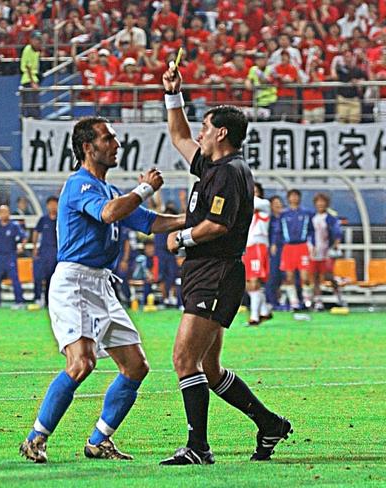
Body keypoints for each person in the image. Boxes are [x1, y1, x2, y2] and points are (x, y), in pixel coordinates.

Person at [19, 116, 185, 463]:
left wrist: (194, 218)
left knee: (136, 366)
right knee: (82, 364)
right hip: (75, 283)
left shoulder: (110, 190)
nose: (116, 144)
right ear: (87, 148)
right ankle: (35, 438)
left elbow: (151, 223)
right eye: (108, 138)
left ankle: (99, 440)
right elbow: (109, 214)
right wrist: (144, 189)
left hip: (101, 284)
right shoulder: (79, 185)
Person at [160, 64, 291, 465]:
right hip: (207, 272)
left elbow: (217, 224)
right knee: (210, 368)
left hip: (216, 272)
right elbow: (179, 135)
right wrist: (173, 95)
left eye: (205, 125)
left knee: (184, 360)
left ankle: (198, 446)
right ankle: (269, 423)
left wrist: (181, 237)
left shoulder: (231, 172)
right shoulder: (212, 165)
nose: (198, 132)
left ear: (220, 133)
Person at [279, 189, 314, 310]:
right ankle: (294, 302)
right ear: (288, 198)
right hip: (288, 248)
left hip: (302, 247)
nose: (294, 198)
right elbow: (278, 231)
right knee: (289, 277)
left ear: (299, 198)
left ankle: (307, 300)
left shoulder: (306, 213)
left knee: (305, 276)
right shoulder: (283, 214)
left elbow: (311, 230)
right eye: (291, 196)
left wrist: (312, 245)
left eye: (296, 196)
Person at [242, 183, 272, 326]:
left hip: (257, 246)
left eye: (255, 191)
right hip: (246, 247)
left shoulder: (264, 205)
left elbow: (252, 202)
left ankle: (254, 317)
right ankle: (265, 311)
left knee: (254, 281)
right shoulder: (243, 211)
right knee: (247, 283)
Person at [0, 205, 28, 309]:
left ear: (9, 213)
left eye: (5, 212)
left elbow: (24, 237)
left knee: (15, 279)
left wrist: (21, 247)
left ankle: (19, 301)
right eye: (1, 212)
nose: (3, 214)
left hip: (10, 255)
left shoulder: (14, 225)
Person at [310, 193, 343, 310]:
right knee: (315, 277)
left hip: (326, 251)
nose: (320, 204)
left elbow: (337, 234)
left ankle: (339, 296)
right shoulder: (312, 217)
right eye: (318, 202)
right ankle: (318, 301)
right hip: (315, 251)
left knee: (329, 275)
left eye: (322, 202)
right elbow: (310, 233)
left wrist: (334, 246)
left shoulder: (331, 218)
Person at [32, 196, 58, 308]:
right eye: (50, 204)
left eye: (55, 204)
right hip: (43, 251)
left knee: (51, 277)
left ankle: (49, 301)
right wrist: (34, 247)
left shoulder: (60, 220)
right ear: (47, 206)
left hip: (55, 251)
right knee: (38, 276)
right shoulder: (43, 219)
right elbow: (36, 232)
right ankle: (37, 298)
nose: (53, 206)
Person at [266, 195, 285, 309]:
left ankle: (279, 301)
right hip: (273, 250)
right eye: (275, 203)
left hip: (285, 249)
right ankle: (271, 301)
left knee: (283, 276)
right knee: (273, 276)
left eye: (279, 202)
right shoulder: (269, 219)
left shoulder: (285, 217)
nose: (278, 205)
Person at [20, 31, 42, 118]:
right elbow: (27, 67)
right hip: (28, 81)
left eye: (39, 40)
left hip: (33, 80)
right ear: (31, 40)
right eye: (36, 39)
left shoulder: (36, 51)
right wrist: (32, 82)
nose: (38, 42)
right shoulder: (28, 49)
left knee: (35, 105)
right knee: (30, 106)